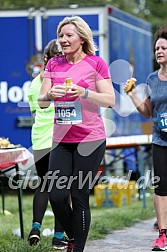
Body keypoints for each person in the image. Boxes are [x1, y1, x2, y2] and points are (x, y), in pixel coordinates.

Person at [38, 16, 115, 252]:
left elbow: (110, 100)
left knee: (78, 194)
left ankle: (77, 248)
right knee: (56, 195)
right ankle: (74, 237)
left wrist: (84, 92)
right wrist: (50, 95)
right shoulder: (53, 64)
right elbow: (41, 102)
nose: (63, 40)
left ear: (81, 38)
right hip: (61, 139)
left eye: (68, 35)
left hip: (89, 140)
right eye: (61, 35)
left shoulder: (96, 63)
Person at [124, 25, 167, 251]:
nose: (159, 51)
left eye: (163, 48)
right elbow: (148, 111)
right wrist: (132, 94)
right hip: (160, 140)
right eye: (156, 48)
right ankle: (162, 234)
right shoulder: (152, 78)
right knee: (160, 188)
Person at [27, 39, 67, 250]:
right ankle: (59, 236)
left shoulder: (34, 84)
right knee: (62, 188)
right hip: (59, 139)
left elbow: (35, 113)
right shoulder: (63, 80)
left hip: (39, 140)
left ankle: (35, 228)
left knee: (43, 185)